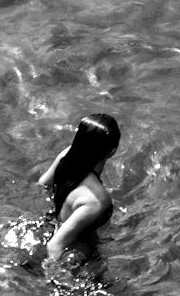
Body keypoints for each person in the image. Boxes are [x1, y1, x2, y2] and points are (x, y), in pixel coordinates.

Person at [37, 112, 120, 265]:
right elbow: (54, 245)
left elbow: (43, 184)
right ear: (112, 151)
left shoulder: (66, 156)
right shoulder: (98, 200)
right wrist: (55, 283)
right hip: (76, 255)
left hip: (52, 225)